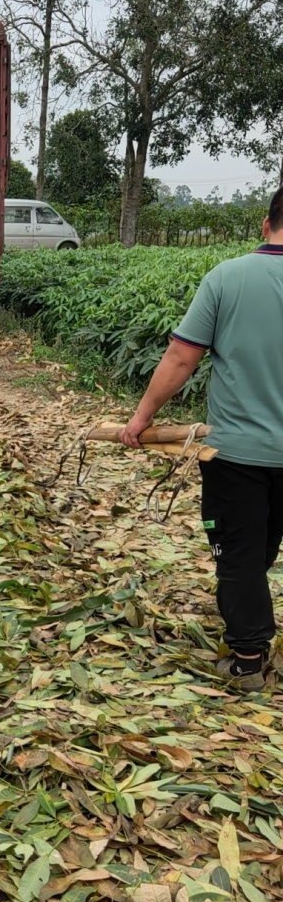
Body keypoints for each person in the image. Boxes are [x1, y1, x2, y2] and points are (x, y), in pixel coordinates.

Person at [120, 187, 283, 690]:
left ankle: (249, 661)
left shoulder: (226, 279)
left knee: (240, 555)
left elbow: (181, 359)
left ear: (265, 224)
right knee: (258, 551)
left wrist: (141, 418)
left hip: (237, 454)